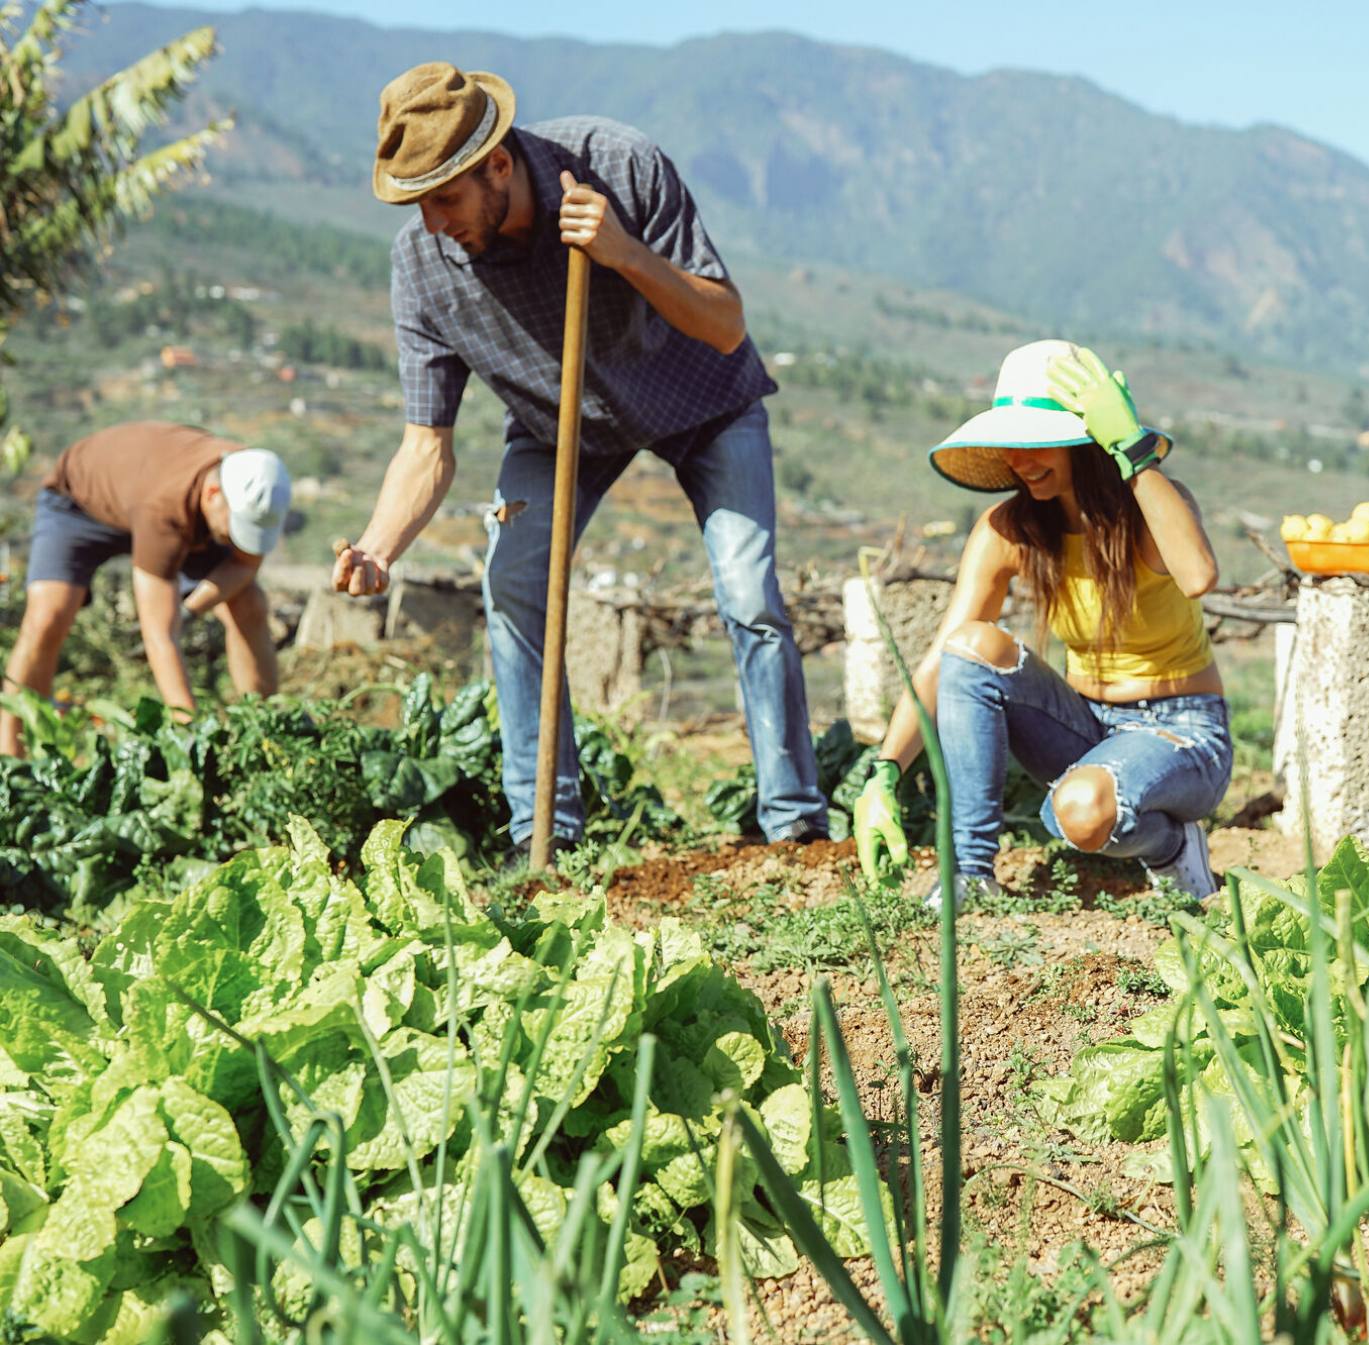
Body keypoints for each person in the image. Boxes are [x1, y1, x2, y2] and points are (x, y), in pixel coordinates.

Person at [335, 63, 827, 861]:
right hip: (557, 421)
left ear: (497, 164)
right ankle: (544, 834)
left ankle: (795, 822)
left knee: (747, 591)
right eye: (416, 204)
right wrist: (378, 547)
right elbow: (426, 443)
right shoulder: (421, 269)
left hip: (703, 397)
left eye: (445, 199)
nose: (431, 223)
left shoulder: (618, 164)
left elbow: (726, 324)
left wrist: (625, 254)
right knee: (513, 582)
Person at [851, 340, 1232, 906]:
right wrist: (884, 772)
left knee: (1078, 812)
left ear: (1086, 442)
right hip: (1084, 727)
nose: (1021, 461)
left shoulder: (1149, 506)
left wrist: (1133, 448)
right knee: (969, 645)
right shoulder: (1011, 530)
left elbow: (1198, 574)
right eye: (1011, 445)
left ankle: (1170, 847)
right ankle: (969, 874)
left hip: (1183, 732)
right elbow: (942, 658)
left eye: (1038, 443)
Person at [1, 421, 291, 756]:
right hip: (80, 502)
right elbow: (159, 635)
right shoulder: (166, 506)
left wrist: (190, 610)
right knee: (47, 616)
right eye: (238, 528)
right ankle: (10, 757)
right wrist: (191, 739)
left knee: (249, 602)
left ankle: (266, 733)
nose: (242, 538)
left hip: (148, 497)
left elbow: (243, 565)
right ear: (213, 495)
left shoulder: (257, 485)